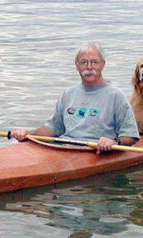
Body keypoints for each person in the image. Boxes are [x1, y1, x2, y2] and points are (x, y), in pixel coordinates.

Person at [11, 41, 140, 155]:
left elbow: (131, 135)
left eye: (94, 62)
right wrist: (28, 134)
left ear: (103, 65)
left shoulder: (116, 96)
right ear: (77, 65)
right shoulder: (68, 94)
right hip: (64, 149)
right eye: (84, 62)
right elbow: (53, 128)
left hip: (95, 151)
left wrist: (114, 141)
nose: (89, 67)